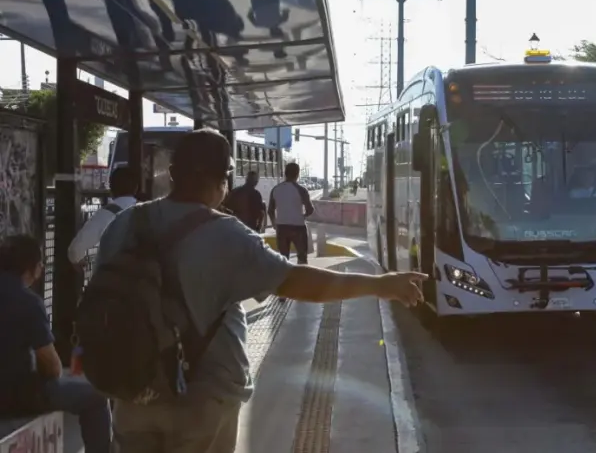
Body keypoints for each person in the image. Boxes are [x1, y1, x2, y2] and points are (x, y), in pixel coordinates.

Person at [97, 128, 423, 452]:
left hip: (131, 392)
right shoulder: (225, 235)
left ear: (171, 173)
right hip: (202, 398)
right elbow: (302, 282)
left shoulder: (123, 224)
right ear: (225, 179)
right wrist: (380, 285)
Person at [0, 235, 112, 453]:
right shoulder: (28, 301)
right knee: (95, 397)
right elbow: (52, 366)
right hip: (15, 395)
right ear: (32, 267)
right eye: (41, 263)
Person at [68, 165, 138, 267]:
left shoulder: (106, 214)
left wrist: (77, 261)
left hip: (116, 276)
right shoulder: (151, 210)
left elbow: (76, 249)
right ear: (136, 188)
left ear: (111, 188)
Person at [269, 162, 314, 265]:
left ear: (285, 173)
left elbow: (270, 210)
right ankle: (301, 279)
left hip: (281, 227)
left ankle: (285, 279)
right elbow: (310, 209)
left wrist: (274, 224)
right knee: (302, 257)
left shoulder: (276, 189)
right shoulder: (301, 190)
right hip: (298, 227)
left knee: (283, 259)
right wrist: (303, 216)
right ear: (298, 174)